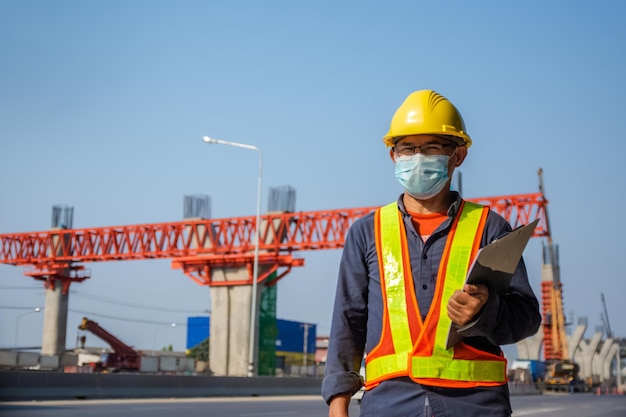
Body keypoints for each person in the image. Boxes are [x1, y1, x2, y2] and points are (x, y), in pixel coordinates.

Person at [322, 89, 542, 417]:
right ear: (393, 156)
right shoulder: (367, 232)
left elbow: (526, 318)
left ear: (458, 156)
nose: (418, 157)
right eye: (408, 148)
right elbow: (348, 319)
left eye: (431, 148)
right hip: (389, 404)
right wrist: (338, 404)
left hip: (475, 404)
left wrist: (485, 312)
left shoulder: (489, 227)